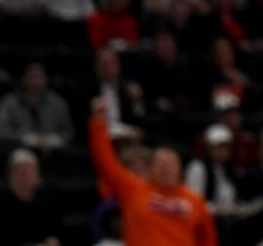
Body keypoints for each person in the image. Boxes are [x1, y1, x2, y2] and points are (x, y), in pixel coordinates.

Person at [87, 101, 217, 246]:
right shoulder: (133, 189)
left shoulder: (195, 201)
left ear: (180, 170)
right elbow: (106, 164)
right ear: (152, 168)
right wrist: (98, 124)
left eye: (170, 165)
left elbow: (208, 240)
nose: (165, 170)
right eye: (161, 165)